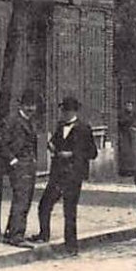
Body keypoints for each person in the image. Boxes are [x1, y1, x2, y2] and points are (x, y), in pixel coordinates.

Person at [35, 96, 99, 251]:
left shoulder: (84, 128)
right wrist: (52, 146)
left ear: (74, 111)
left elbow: (92, 153)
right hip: (57, 174)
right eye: (63, 110)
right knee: (44, 204)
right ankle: (44, 234)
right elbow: (56, 144)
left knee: (69, 210)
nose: (64, 113)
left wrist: (72, 154)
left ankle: (71, 245)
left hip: (73, 175)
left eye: (67, 111)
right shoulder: (60, 126)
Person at [0, 91, 41, 247]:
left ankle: (11, 233)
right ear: (21, 105)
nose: (31, 108)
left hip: (28, 165)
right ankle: (17, 236)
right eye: (28, 105)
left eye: (33, 105)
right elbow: (0, 143)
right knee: (21, 200)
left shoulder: (30, 121)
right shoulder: (12, 121)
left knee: (25, 199)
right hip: (19, 165)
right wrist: (13, 161)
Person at [116, 101, 136, 178]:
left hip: (130, 135)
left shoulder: (133, 114)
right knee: (125, 152)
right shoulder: (123, 115)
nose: (129, 108)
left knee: (132, 152)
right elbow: (121, 122)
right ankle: (125, 170)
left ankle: (132, 169)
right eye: (128, 106)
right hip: (124, 135)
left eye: (130, 106)